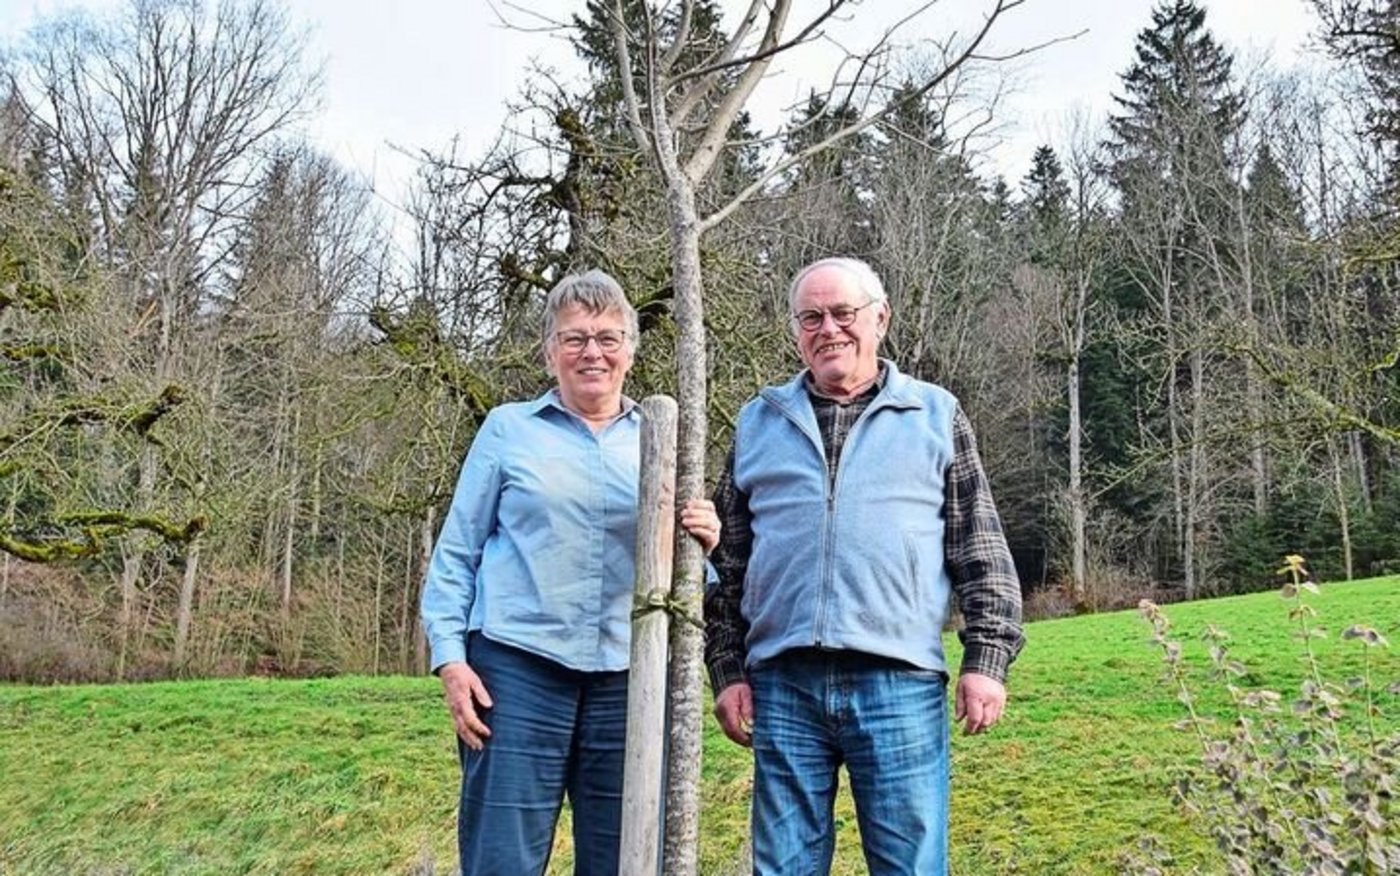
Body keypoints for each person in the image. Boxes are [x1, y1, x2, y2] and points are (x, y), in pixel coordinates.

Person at [704, 257, 1024, 875]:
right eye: (812, 317)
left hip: (898, 683)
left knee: (909, 868)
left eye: (843, 313)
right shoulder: (759, 420)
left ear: (880, 319)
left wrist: (986, 662)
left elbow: (979, 548)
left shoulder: (934, 415)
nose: (829, 329)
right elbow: (728, 566)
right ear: (797, 330)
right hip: (784, 684)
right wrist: (727, 670)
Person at [421, 269, 720, 876]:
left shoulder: (665, 438)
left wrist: (707, 546)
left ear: (631, 352)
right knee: (502, 857)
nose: (593, 353)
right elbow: (457, 554)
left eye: (609, 338)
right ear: (550, 351)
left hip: (628, 676)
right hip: (515, 670)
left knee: (624, 857)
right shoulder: (508, 430)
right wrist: (451, 660)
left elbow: (693, 580)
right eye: (575, 337)